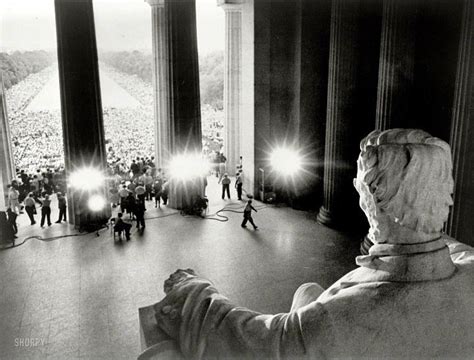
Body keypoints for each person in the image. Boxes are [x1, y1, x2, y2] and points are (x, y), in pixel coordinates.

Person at [143, 129, 474, 359]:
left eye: (361, 187)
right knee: (308, 291)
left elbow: (252, 343)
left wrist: (194, 293)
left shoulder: (341, 321)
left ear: (373, 197)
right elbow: (453, 249)